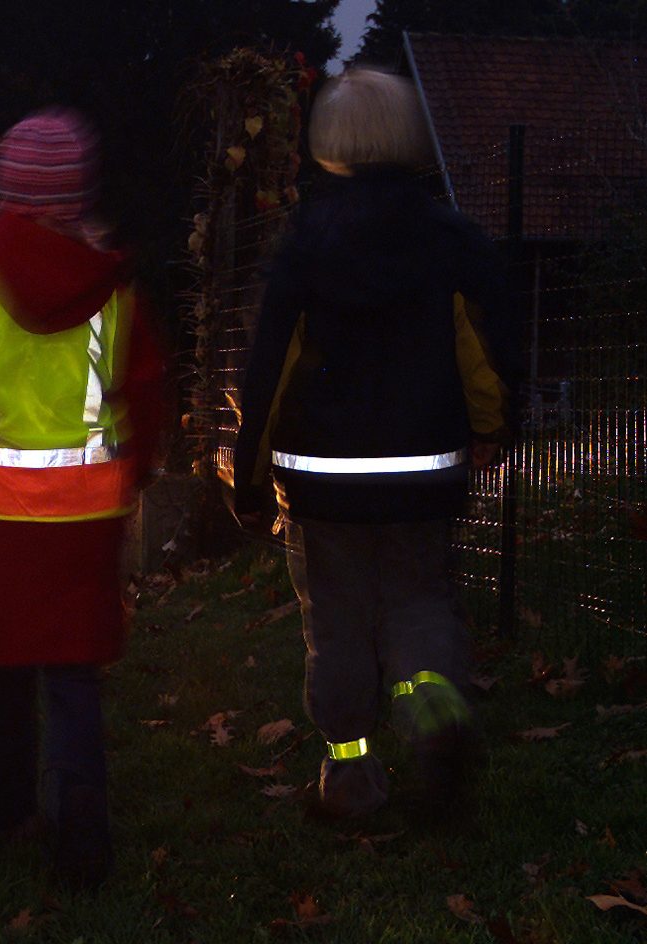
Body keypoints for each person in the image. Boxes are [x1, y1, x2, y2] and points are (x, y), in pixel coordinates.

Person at [231, 68, 519, 819]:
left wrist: (249, 477)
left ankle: (350, 777)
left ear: (326, 141)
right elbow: (481, 350)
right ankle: (434, 710)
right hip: (424, 476)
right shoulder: (452, 238)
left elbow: (270, 369)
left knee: (335, 625)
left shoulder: (304, 245)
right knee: (420, 603)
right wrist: (491, 428)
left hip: (321, 486)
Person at [0, 109, 164, 888]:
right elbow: (145, 400)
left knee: (0, 670)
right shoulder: (115, 295)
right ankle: (81, 819)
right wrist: (134, 477)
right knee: (72, 672)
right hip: (83, 520)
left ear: (3, 199)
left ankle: (6, 813)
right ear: (77, 201)